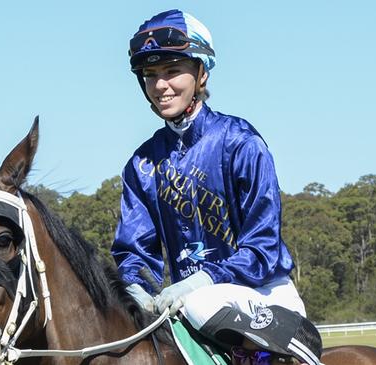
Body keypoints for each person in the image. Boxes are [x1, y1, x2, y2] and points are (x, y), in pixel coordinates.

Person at [111, 9, 321, 365]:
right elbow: (135, 252)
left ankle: (295, 343)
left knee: (201, 302)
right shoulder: (142, 164)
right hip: (184, 308)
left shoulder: (240, 142)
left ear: (201, 72)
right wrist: (135, 288)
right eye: (150, 74)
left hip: (260, 293)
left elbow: (263, 247)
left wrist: (201, 281)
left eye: (172, 71)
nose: (161, 85)